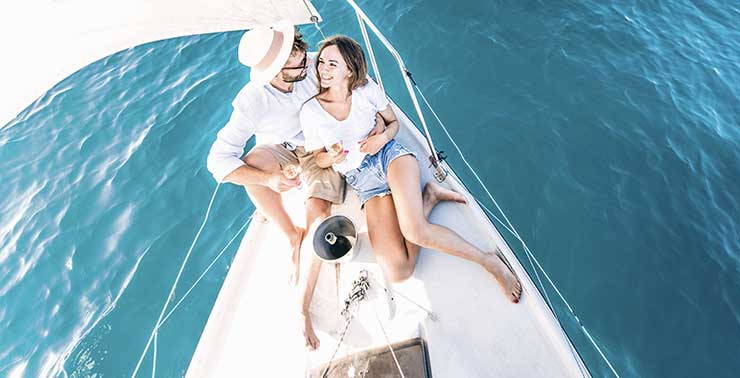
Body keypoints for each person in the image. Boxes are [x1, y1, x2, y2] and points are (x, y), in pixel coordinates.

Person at [297, 35, 522, 349]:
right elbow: (318, 157)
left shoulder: (366, 91)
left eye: (332, 63)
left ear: (349, 70)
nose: (322, 68)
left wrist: (380, 139)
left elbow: (393, 124)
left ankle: (489, 262)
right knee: (399, 271)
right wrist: (330, 158)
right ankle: (428, 197)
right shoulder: (311, 112)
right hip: (364, 181)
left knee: (415, 231)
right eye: (321, 62)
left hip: (390, 156)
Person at [207, 22, 382, 284]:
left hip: (323, 144)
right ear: (273, 72)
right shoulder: (251, 102)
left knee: (319, 213)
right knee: (252, 165)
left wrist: (379, 124)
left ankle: (312, 235)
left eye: (304, 59)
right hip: (287, 147)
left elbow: (360, 84)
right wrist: (268, 179)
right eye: (298, 65)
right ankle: (291, 234)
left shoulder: (312, 63)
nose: (309, 66)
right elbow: (217, 161)